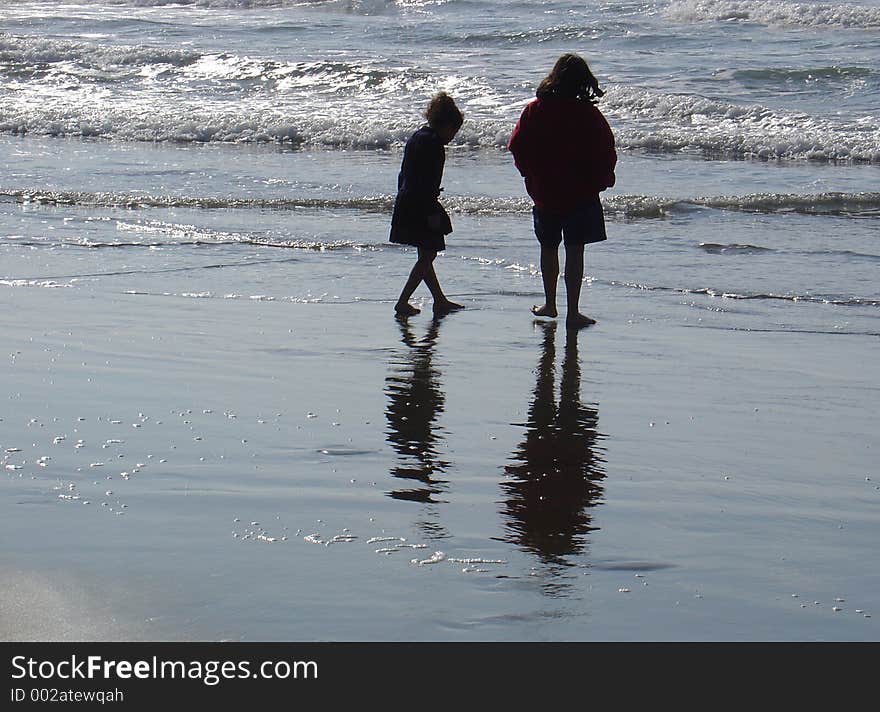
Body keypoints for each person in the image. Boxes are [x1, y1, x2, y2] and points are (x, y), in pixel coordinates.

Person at [508, 53, 617, 329]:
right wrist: (603, 180)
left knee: (548, 248)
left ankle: (550, 303)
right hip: (581, 194)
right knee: (575, 251)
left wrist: (529, 174)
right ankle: (573, 311)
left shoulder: (535, 110)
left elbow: (517, 145)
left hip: (546, 192)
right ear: (583, 82)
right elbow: (606, 151)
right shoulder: (589, 114)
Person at [390, 92, 465, 317]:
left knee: (426, 253)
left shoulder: (417, 137)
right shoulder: (434, 145)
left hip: (407, 198)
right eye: (453, 130)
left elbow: (405, 174)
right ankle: (402, 301)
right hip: (420, 203)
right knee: (429, 254)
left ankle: (439, 300)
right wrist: (431, 211)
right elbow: (428, 182)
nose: (452, 137)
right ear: (446, 124)